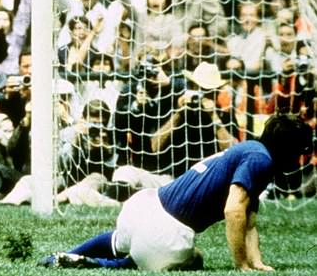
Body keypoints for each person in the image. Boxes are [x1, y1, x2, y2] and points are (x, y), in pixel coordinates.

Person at [40, 114, 313, 271]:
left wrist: (257, 263)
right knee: (191, 260)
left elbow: (250, 221)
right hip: (167, 230)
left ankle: (64, 255)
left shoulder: (250, 149)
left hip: (144, 205)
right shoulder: (261, 161)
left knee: (117, 241)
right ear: (288, 149)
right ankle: (92, 263)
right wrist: (241, 265)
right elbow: (234, 211)